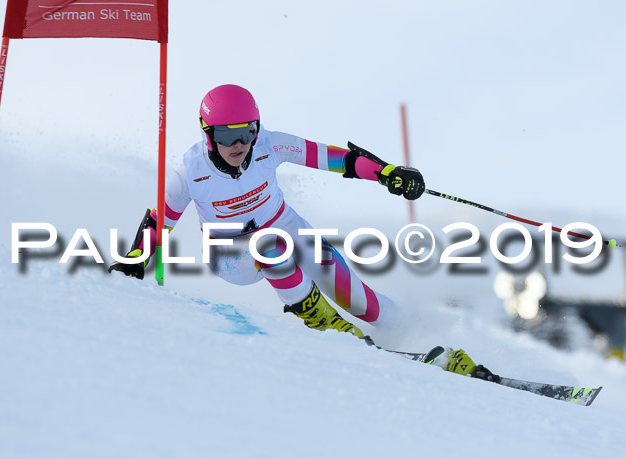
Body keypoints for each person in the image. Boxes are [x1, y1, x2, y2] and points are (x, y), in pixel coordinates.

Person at [109, 84, 482, 378]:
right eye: (226, 136)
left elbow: (335, 158)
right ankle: (333, 329)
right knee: (268, 246)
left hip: (286, 227)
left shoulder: (269, 144)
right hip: (230, 255)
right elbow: (161, 222)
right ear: (208, 135)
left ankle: (431, 343)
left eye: (247, 132)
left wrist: (386, 173)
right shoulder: (190, 172)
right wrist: (135, 261)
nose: (239, 145)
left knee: (362, 301)